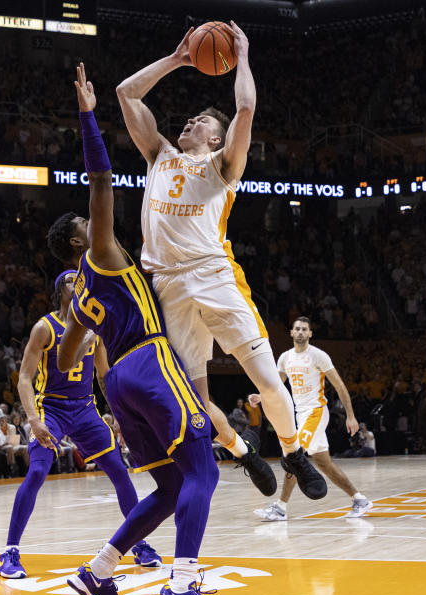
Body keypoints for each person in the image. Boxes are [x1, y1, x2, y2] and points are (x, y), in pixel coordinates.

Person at [49, 64, 236, 595]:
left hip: (117, 387)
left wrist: (88, 338)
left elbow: (64, 360)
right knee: (204, 471)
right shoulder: (101, 251)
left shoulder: (78, 296)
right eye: (88, 223)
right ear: (82, 239)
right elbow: (102, 179)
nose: (95, 220)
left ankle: (100, 570)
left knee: (171, 485)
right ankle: (183, 586)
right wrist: (87, 115)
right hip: (151, 362)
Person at [117, 23, 326, 498]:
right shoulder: (158, 155)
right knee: (194, 400)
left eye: (202, 121)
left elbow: (246, 107)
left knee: (269, 383)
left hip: (213, 275)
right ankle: (242, 451)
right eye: (189, 118)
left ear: (216, 138)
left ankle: (292, 451)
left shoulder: (223, 166)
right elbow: (126, 94)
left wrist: (244, 55)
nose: (190, 121)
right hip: (166, 286)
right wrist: (178, 59)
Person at [0, 269, 161, 580]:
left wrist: (121, 417)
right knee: (36, 471)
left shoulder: (94, 329)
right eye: (74, 280)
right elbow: (23, 378)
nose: (80, 283)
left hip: (86, 409)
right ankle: (9, 551)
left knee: (119, 471)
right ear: (61, 289)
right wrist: (33, 419)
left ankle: (138, 542)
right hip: (52, 408)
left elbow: (104, 376)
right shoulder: (44, 328)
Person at [251, 317, 371, 521]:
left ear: (310, 334)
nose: (300, 332)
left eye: (304, 329)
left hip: (316, 411)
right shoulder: (285, 358)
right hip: (300, 414)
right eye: (296, 328)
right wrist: (261, 397)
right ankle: (359, 499)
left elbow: (340, 386)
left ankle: (280, 507)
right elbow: (277, 387)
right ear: (291, 332)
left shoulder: (318, 356)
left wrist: (351, 416)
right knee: (324, 464)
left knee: (294, 456)